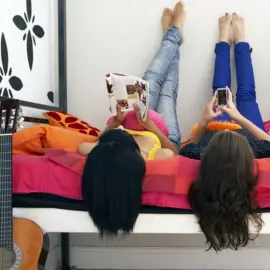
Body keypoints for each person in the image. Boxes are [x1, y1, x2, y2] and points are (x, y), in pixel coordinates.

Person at [78, 2, 186, 238]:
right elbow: (175, 150)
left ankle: (173, 36)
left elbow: (82, 146)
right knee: (168, 88)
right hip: (160, 131)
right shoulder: (154, 158)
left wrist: (116, 124)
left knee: (152, 78)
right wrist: (151, 127)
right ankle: (175, 33)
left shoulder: (102, 153)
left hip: (133, 118)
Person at [184, 13, 270, 252]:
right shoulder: (254, 150)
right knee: (246, 94)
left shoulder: (202, 152)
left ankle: (224, 40)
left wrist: (205, 121)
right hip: (242, 125)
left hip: (215, 125)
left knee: (220, 90)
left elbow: (187, 148)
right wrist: (238, 117)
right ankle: (241, 41)